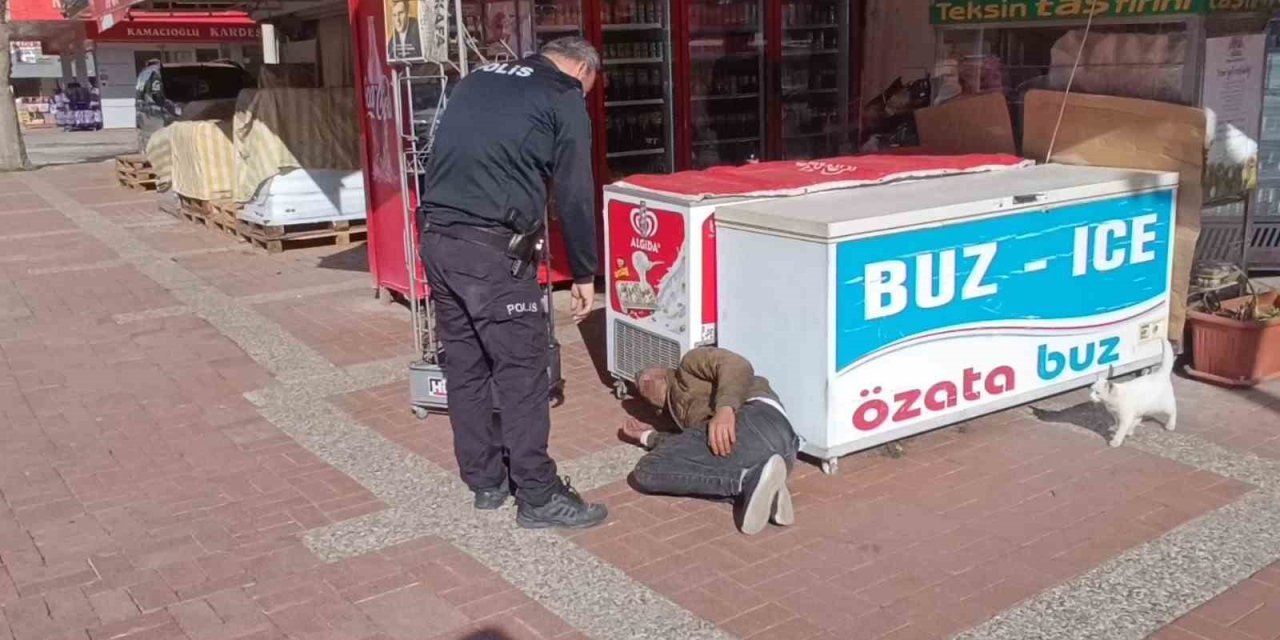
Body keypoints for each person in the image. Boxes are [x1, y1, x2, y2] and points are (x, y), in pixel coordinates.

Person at [418, 37, 606, 529]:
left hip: (438, 241)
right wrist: (585, 270)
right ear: (583, 71)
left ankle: (485, 481)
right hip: (494, 254)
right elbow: (575, 192)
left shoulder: (477, 78)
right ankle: (539, 495)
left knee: (466, 365)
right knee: (523, 372)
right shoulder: (563, 94)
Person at [621, 347, 800, 535]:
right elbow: (688, 449)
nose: (645, 393)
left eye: (644, 383)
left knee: (647, 469)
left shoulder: (689, 365)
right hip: (783, 450)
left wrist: (725, 409)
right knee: (654, 471)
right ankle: (765, 486)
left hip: (757, 418)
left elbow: (737, 364)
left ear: (660, 375)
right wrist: (647, 436)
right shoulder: (676, 417)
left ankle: (746, 484)